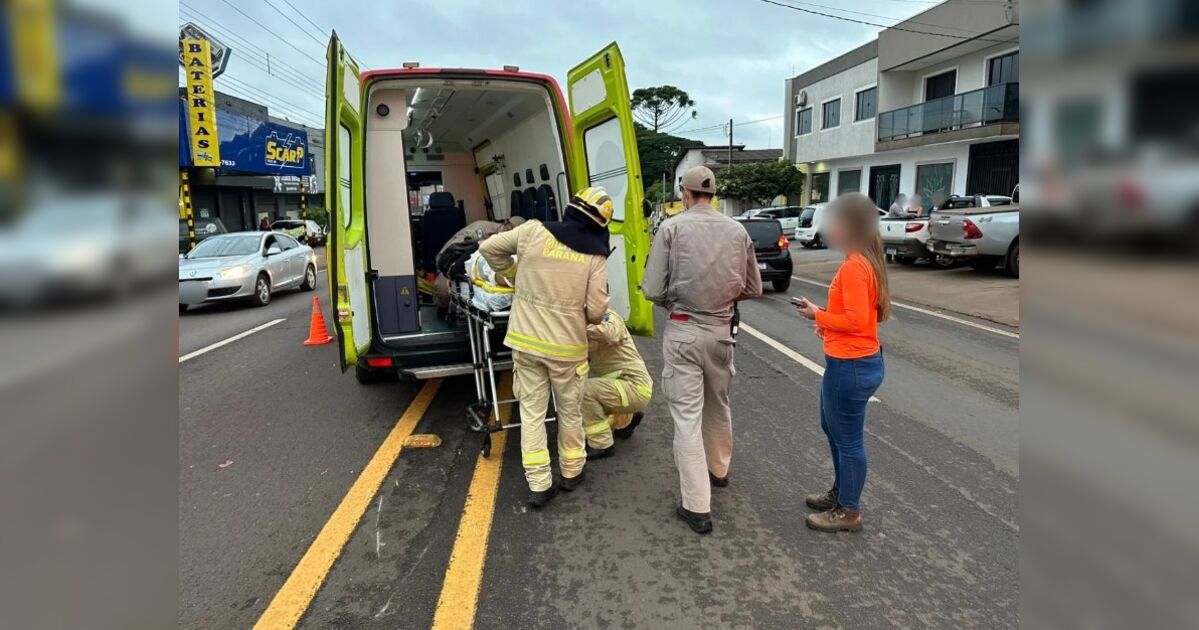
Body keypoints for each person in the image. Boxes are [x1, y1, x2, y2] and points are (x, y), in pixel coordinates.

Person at [642, 165, 762, 535]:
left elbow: (651, 288)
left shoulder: (671, 228)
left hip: (684, 329)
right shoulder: (737, 230)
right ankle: (719, 470)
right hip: (723, 331)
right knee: (719, 404)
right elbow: (753, 286)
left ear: (685, 192)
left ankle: (697, 505)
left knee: (686, 417)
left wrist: (674, 299)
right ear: (713, 193)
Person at [479, 187, 612, 508]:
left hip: (526, 344)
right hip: (568, 350)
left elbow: (488, 248)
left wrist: (514, 275)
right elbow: (596, 312)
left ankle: (539, 484)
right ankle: (572, 471)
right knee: (568, 412)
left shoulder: (532, 230)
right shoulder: (594, 256)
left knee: (532, 414)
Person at [793, 192, 890, 533]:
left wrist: (818, 314)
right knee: (832, 428)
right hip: (852, 360)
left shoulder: (854, 266)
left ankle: (849, 511)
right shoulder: (863, 261)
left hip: (851, 365)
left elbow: (857, 321)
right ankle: (842, 493)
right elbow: (853, 318)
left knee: (847, 439)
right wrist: (820, 318)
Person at [580, 309, 652, 460]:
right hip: (622, 388)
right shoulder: (583, 323)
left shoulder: (609, 315)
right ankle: (627, 419)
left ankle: (602, 445)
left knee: (582, 392)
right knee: (578, 399)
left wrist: (577, 325)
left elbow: (609, 333)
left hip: (635, 387)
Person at [433, 216, 525, 309]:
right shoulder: (480, 228)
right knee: (443, 292)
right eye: (508, 231)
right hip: (450, 259)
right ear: (505, 225)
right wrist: (480, 244)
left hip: (488, 265)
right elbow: (455, 253)